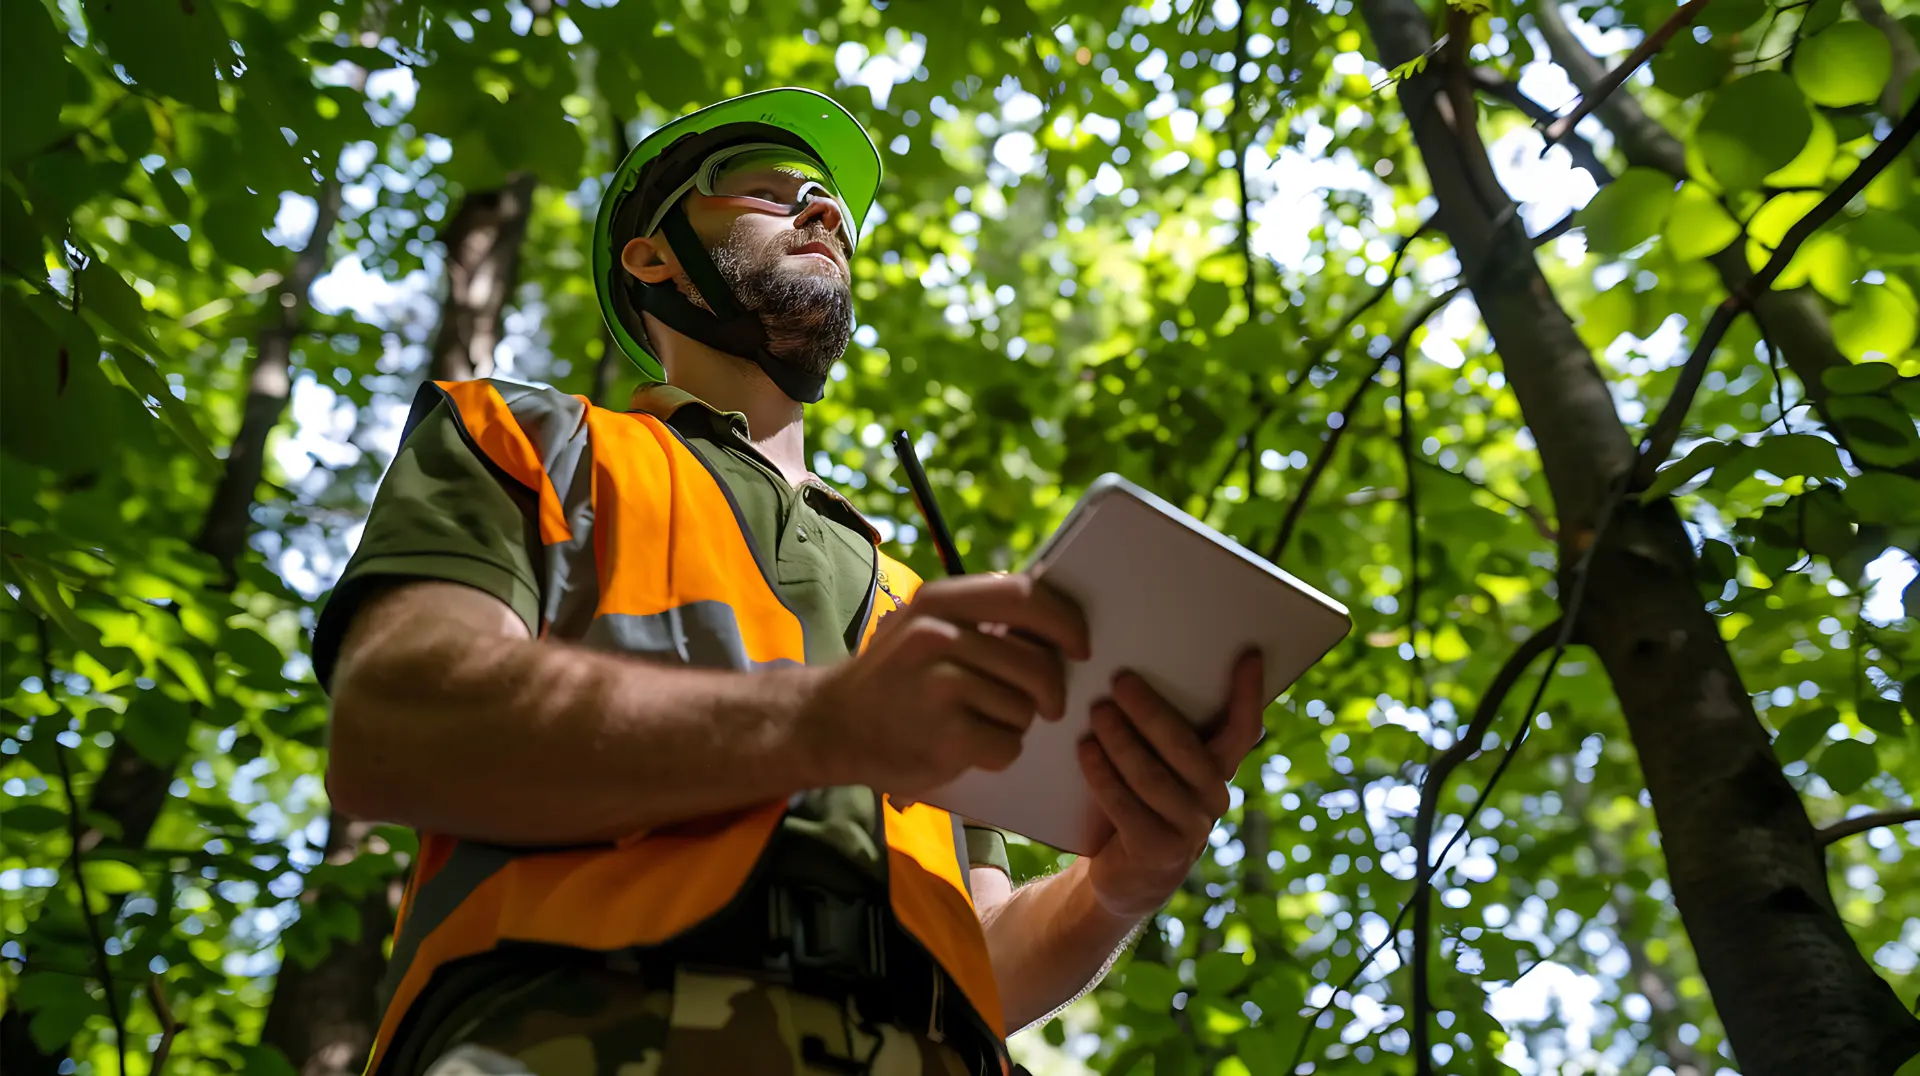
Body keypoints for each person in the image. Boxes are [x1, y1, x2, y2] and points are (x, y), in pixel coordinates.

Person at [316, 87, 1267, 1076]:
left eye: (830, 202)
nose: (823, 211)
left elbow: (981, 953)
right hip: (573, 1034)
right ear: (651, 256)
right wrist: (822, 724)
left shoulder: (922, 607)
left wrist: (1119, 881)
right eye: (770, 192)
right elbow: (394, 721)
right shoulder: (530, 439)